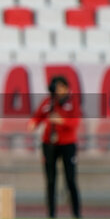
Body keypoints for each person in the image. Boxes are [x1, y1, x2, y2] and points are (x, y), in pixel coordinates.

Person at [28, 76, 82, 218]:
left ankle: (76, 213)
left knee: (70, 179)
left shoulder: (72, 103)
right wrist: (34, 123)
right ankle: (51, 214)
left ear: (66, 88)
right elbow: (38, 116)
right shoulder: (48, 102)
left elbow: (75, 123)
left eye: (60, 87)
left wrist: (61, 121)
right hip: (49, 144)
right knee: (51, 180)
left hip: (68, 144)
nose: (58, 90)